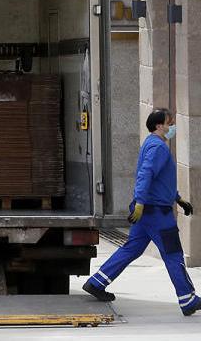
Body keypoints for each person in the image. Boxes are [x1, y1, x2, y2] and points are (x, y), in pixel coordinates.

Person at [83, 108, 200, 314]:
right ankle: (187, 299)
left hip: (148, 211)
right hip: (156, 213)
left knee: (132, 249)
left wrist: (178, 199)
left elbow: (160, 181)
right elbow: (145, 175)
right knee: (173, 253)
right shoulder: (158, 148)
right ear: (158, 126)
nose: (172, 126)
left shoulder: (151, 143)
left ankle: (97, 282)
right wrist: (140, 202)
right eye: (169, 122)